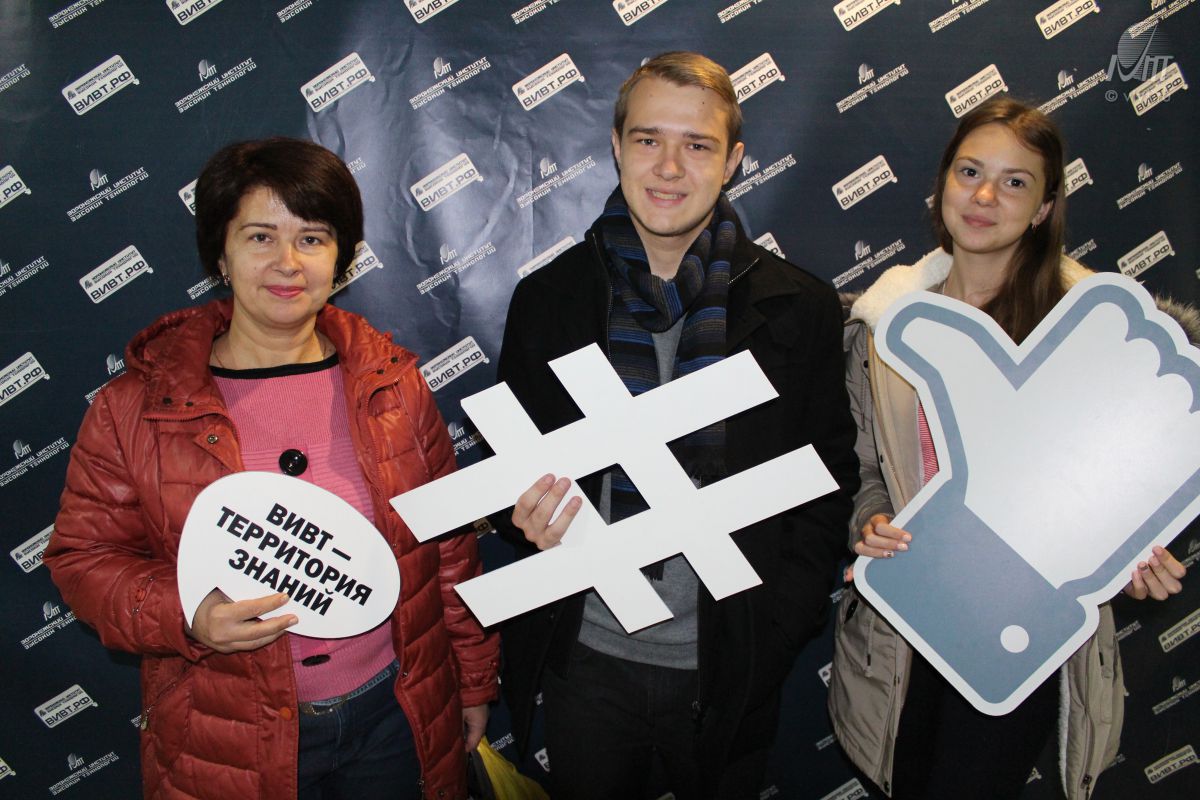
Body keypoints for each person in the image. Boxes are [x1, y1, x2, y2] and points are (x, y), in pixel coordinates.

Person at [46, 137, 498, 800]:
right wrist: (188, 612)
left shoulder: (393, 386)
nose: (287, 263)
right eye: (260, 237)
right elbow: (83, 559)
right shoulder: (134, 407)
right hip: (229, 734)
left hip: (393, 718)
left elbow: (447, 549)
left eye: (312, 238)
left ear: (340, 258)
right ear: (220, 254)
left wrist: (472, 679)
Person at [496, 52, 859, 799]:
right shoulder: (550, 300)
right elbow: (511, 472)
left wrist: (774, 631)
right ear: (616, 146)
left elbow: (825, 487)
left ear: (733, 161)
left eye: (697, 145)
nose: (668, 167)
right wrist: (518, 511)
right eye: (648, 139)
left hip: (727, 662)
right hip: (586, 660)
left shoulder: (799, 308)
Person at [829, 97, 1189, 800]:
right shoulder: (883, 328)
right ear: (943, 183)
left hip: (1017, 631)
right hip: (906, 623)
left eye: (1015, 182)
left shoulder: (1091, 337)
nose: (985, 196)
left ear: (1045, 207)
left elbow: (1119, 491)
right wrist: (871, 521)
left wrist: (1132, 556)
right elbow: (870, 471)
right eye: (970, 172)